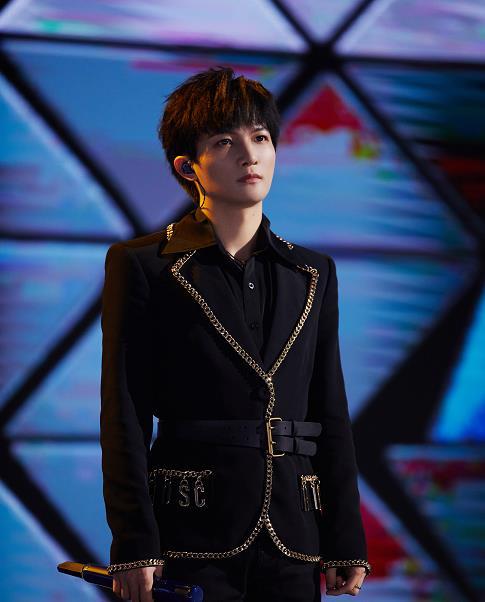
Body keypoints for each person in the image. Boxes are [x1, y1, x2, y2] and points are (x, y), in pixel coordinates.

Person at [100, 66, 370, 602]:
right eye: (225, 142)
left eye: (261, 137)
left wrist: (345, 538)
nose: (250, 156)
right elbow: (124, 411)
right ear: (188, 166)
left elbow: (330, 408)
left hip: (294, 536)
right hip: (190, 531)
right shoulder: (144, 265)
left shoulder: (313, 272)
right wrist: (134, 542)